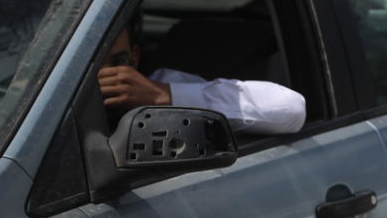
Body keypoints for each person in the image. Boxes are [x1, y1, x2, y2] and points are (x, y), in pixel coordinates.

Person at [99, 25, 306, 136]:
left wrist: (162, 96)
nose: (107, 73)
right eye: (95, 65)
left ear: (135, 57)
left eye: (118, 61)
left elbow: (290, 107)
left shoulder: (161, 84)